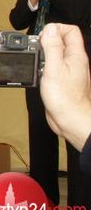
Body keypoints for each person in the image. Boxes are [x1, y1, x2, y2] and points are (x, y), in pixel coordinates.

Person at [9, 0, 91, 210]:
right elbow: (17, 20)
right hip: (37, 65)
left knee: (75, 134)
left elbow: (81, 16)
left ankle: (80, 208)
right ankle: (43, 204)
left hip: (72, 67)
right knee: (39, 131)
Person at [39, 23, 91, 175]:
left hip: (72, 59)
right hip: (49, 71)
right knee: (43, 134)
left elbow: (79, 16)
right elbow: (16, 20)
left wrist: (78, 122)